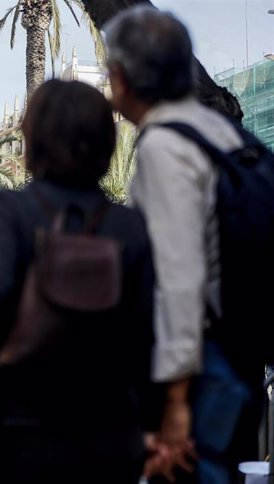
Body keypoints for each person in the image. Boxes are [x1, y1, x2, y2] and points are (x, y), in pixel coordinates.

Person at [0, 79, 156, 484]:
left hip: (24, 432)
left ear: (32, 138)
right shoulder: (131, 227)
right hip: (112, 437)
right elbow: (147, 337)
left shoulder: (11, 212)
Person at [104, 6, 263, 483]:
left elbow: (179, 277)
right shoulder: (222, 132)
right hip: (243, 348)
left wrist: (174, 402)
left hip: (203, 364)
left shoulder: (165, 145)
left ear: (127, 77)